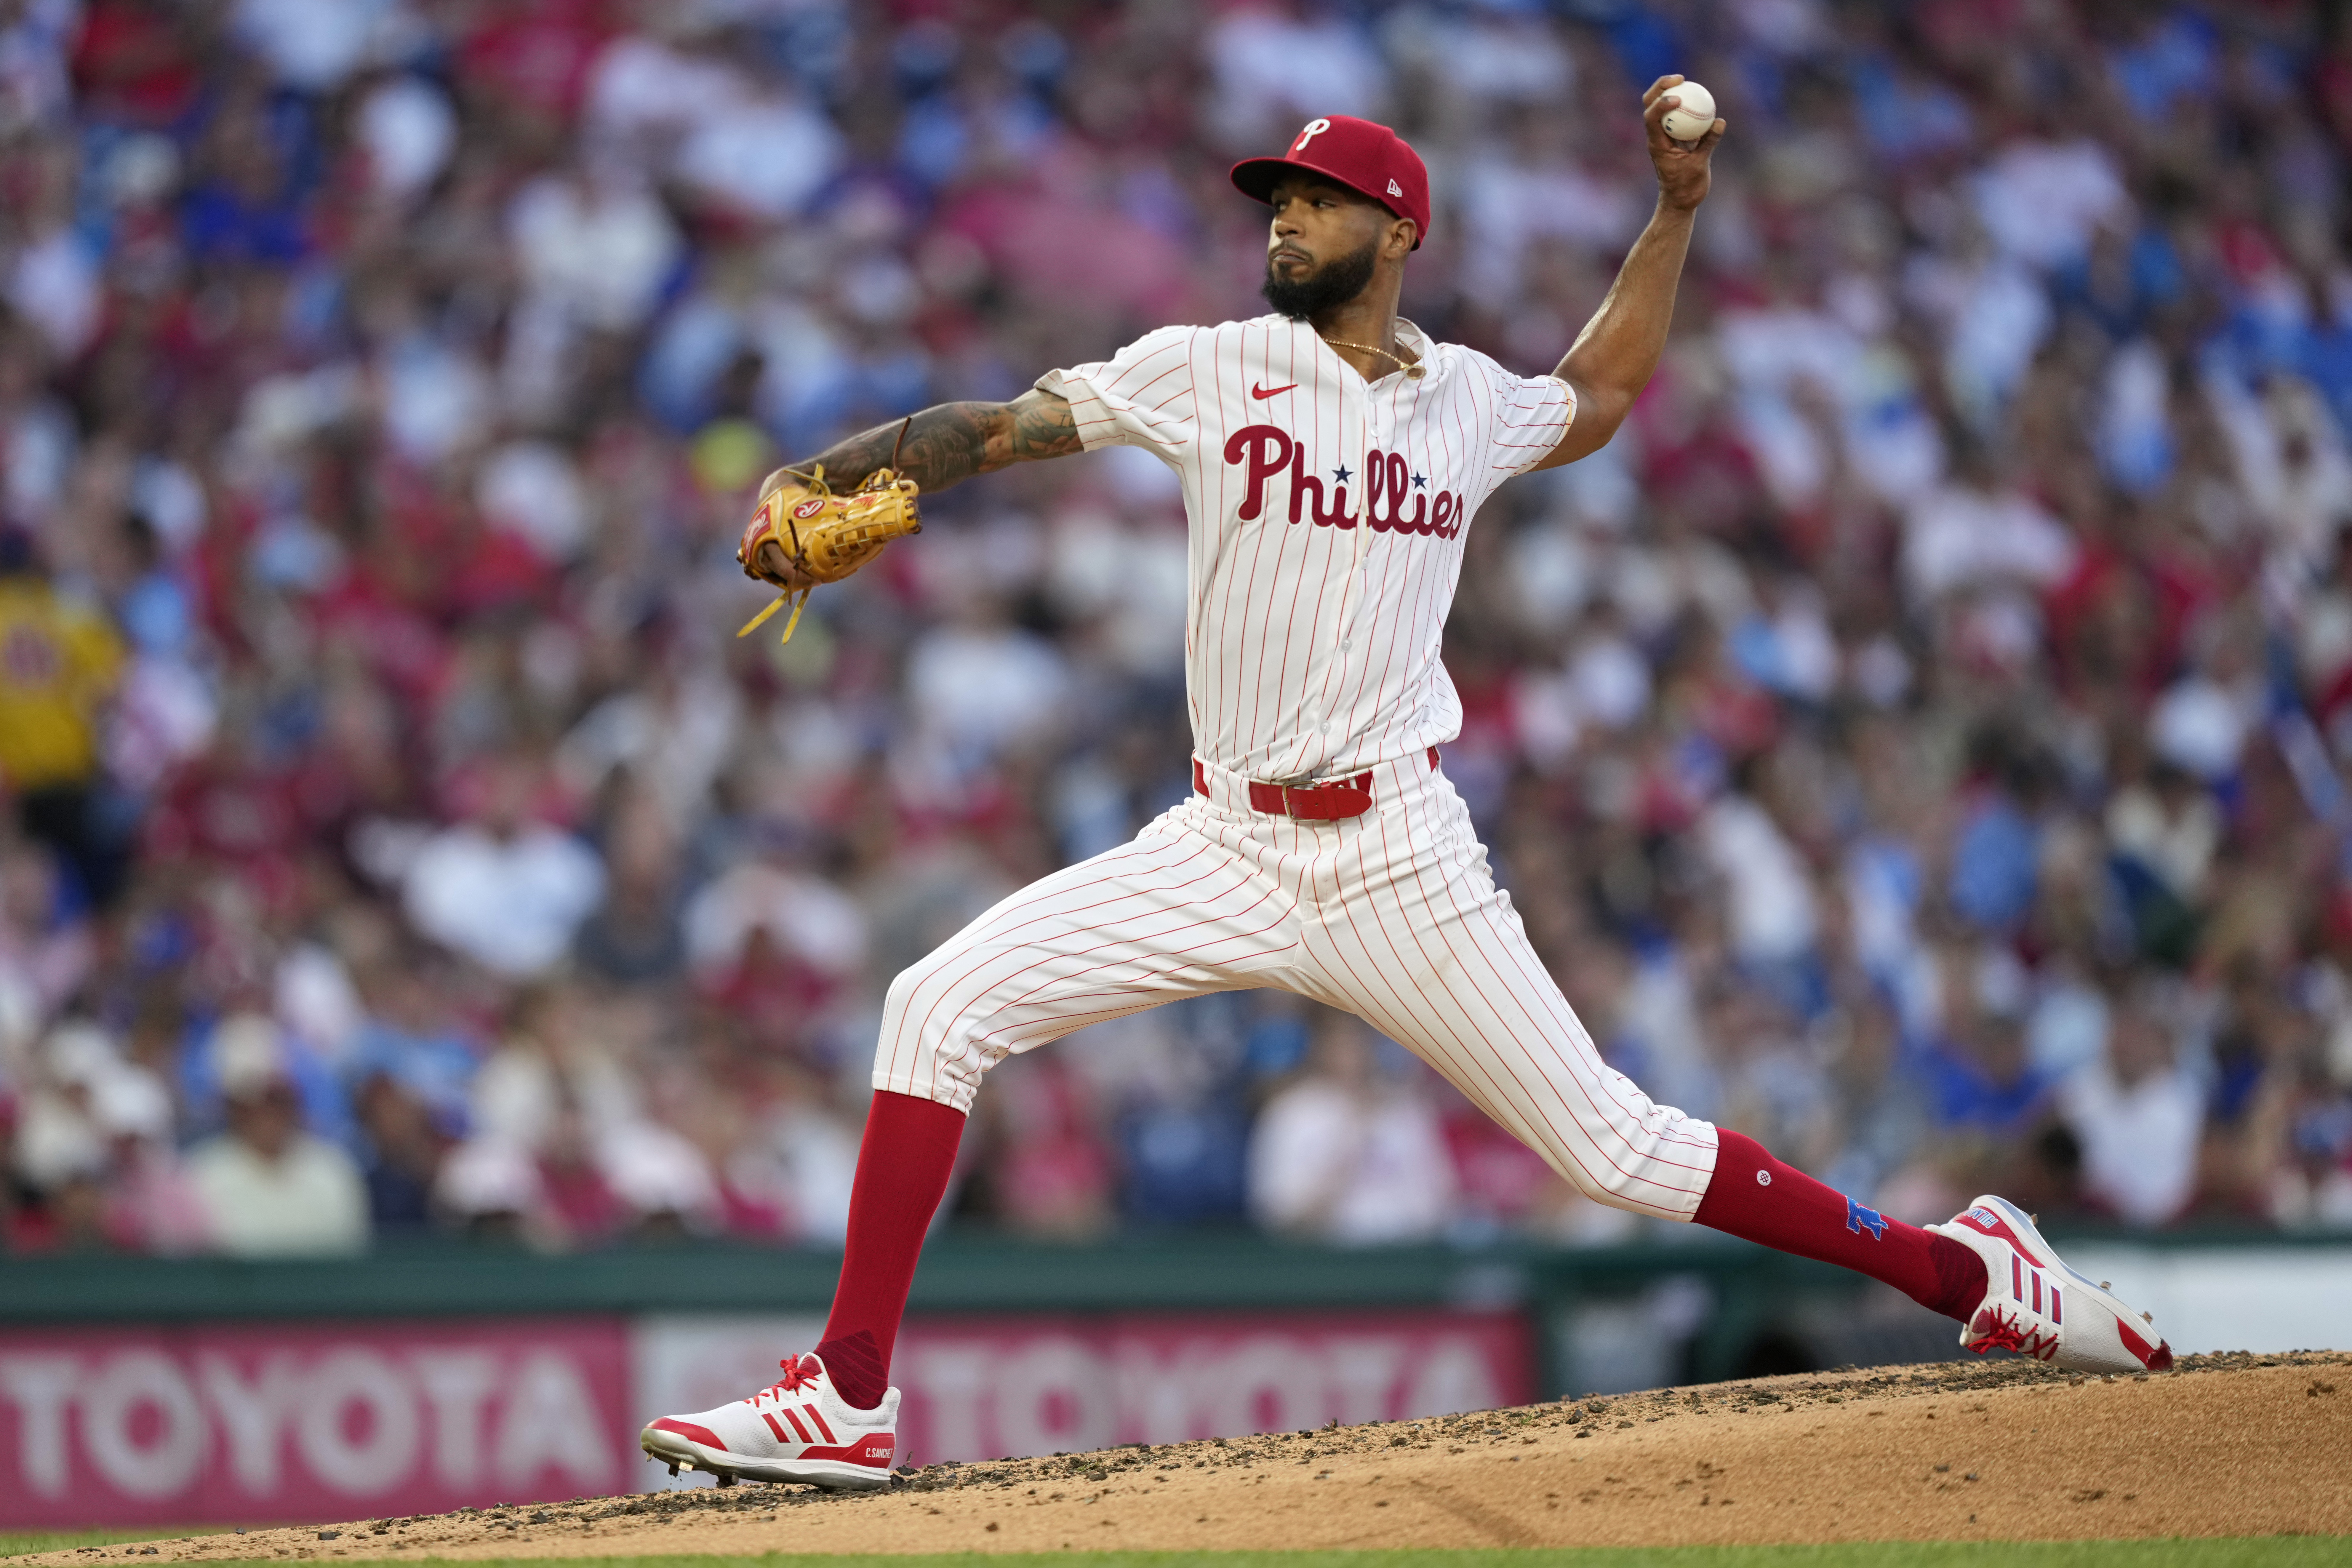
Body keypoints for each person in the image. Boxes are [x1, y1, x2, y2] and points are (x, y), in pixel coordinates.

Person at [641, 84, 2172, 1492]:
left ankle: (1966, 1275)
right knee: (934, 1003)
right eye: (1272, 200)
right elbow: (993, 428)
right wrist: (824, 482)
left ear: (1395, 230)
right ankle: (845, 1394)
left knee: (1612, 1153)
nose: (1282, 221)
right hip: (1222, 840)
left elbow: (1599, 394)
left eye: (1312, 200)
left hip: (1394, 856)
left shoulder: (1464, 404)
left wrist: (1676, 214)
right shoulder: (1206, 367)